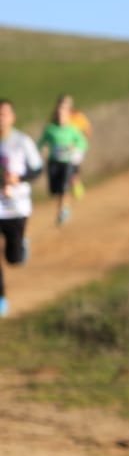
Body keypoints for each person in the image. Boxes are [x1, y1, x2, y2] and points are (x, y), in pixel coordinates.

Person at [0, 99, 44, 317]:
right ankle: (1, 297)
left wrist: (18, 179)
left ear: (12, 117)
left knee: (13, 259)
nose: (1, 118)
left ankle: (20, 246)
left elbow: (37, 170)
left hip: (17, 207)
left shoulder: (22, 141)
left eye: (4, 114)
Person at [37, 96, 89, 225]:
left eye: (63, 114)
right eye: (59, 114)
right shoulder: (50, 129)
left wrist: (75, 148)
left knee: (63, 187)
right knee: (54, 190)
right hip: (53, 161)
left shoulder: (73, 129)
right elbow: (41, 142)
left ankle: (63, 210)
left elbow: (83, 143)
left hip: (68, 161)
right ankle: (72, 188)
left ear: (68, 115)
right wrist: (40, 150)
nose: (61, 116)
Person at [62, 95, 91, 201]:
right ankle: (73, 190)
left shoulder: (77, 116)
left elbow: (87, 129)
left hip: (76, 149)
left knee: (72, 170)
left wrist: (80, 144)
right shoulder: (59, 117)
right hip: (63, 150)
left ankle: (76, 191)